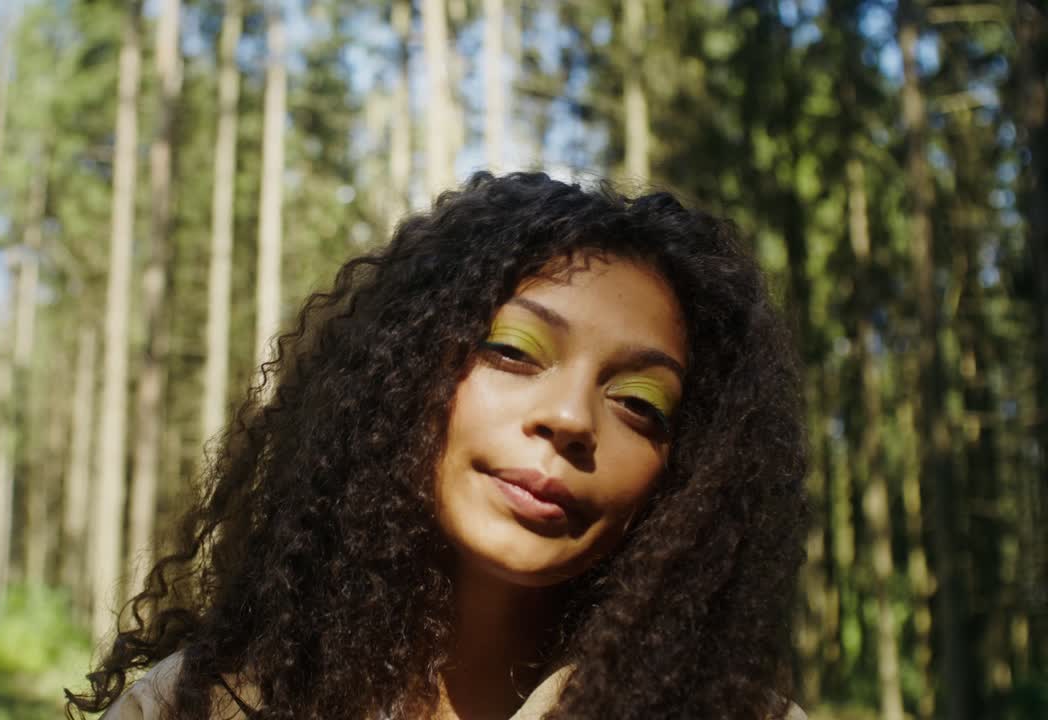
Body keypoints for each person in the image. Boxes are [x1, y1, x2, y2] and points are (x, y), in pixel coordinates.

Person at [68, 172, 809, 720]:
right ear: (403, 377)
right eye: (515, 352)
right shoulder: (195, 707)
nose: (572, 419)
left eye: (640, 403)